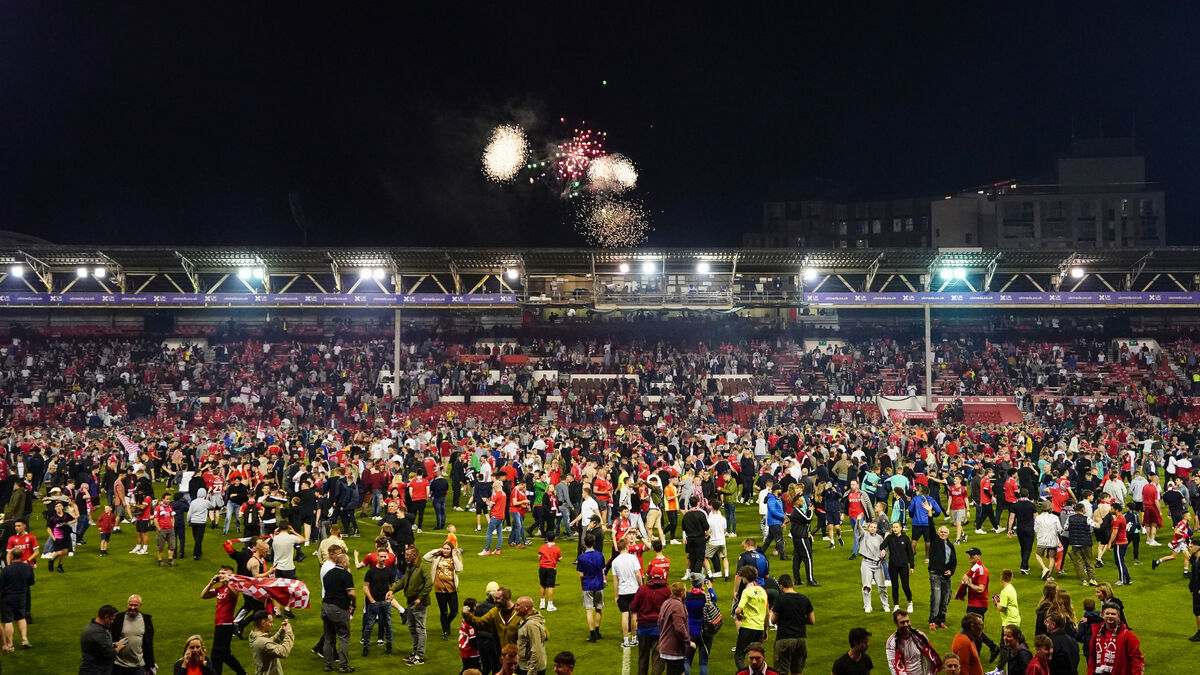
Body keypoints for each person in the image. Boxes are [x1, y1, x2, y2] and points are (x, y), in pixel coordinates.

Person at [200, 565, 247, 675]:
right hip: (219, 623)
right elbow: (203, 595)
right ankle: (242, 673)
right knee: (225, 654)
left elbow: (234, 594)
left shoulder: (233, 587)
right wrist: (211, 583)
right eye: (219, 573)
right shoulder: (219, 589)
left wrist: (228, 584)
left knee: (216, 654)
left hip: (225, 624)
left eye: (223, 573)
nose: (220, 575)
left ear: (230, 576)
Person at [393, 545, 433, 666]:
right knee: (412, 628)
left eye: (407, 555)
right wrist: (392, 590)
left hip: (419, 603)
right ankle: (415, 652)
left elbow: (429, 583)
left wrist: (420, 598)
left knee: (420, 629)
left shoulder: (423, 567)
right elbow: (403, 581)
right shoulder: (410, 567)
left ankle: (419, 656)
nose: (405, 557)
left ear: (414, 555)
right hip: (410, 601)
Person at [769, 575, 813, 675]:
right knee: (797, 672)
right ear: (792, 583)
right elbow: (812, 620)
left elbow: (773, 620)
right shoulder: (804, 599)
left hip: (785, 639)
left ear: (781, 586)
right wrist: (799, 620)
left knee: (781, 672)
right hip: (801, 639)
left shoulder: (780, 599)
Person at [1084, 602, 1144, 675]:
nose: (1110, 616)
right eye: (1107, 613)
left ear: (1118, 616)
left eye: (1113, 614)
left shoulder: (1127, 635)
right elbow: (1092, 656)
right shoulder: (1096, 632)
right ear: (1103, 615)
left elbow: (1136, 659)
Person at [320, 553, 356, 673]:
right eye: (348, 561)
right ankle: (344, 666)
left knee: (328, 638)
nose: (349, 563)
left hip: (325, 607)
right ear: (343, 563)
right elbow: (351, 593)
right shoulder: (346, 574)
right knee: (343, 636)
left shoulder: (328, 574)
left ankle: (328, 665)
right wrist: (354, 603)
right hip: (339, 609)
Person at [960, 547, 998, 659]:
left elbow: (981, 589)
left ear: (979, 556)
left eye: (973, 554)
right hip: (974, 602)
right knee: (973, 629)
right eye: (969, 554)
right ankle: (991, 648)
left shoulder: (981, 570)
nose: (970, 557)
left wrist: (968, 583)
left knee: (974, 630)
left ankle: (977, 655)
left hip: (978, 604)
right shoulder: (974, 569)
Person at [424, 540, 463, 640]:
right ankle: (445, 631)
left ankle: (446, 624)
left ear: (451, 550)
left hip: (452, 588)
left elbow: (459, 569)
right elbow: (425, 557)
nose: (445, 550)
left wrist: (454, 556)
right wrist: (437, 550)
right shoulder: (437, 557)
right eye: (444, 548)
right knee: (444, 612)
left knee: (454, 612)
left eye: (447, 549)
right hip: (439, 588)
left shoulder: (454, 558)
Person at [885, 608, 941, 675]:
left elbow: (930, 657)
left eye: (907, 621)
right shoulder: (891, 642)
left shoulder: (920, 636)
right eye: (902, 622)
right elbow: (894, 667)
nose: (906, 624)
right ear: (896, 623)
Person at [733, 565, 768, 672]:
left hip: (747, 627)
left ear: (745, 578)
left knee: (739, 656)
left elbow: (738, 610)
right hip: (759, 628)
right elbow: (767, 613)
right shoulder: (762, 591)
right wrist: (765, 629)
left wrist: (739, 616)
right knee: (757, 656)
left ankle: (746, 673)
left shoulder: (747, 591)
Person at [111, 594, 156, 675]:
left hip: (138, 665)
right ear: (127, 604)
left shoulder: (146, 620)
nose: (132, 607)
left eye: (135, 605)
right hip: (119, 664)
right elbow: (111, 638)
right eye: (130, 605)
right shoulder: (118, 618)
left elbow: (149, 643)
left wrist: (151, 663)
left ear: (140, 606)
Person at [612, 537, 645, 647]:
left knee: (624, 615)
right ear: (626, 547)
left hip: (623, 591)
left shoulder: (615, 562)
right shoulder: (633, 558)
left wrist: (615, 595)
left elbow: (615, 581)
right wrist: (641, 587)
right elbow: (638, 574)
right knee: (634, 614)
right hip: (634, 590)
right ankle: (634, 638)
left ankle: (626, 640)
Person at [361, 552, 394, 656]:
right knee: (369, 625)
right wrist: (371, 600)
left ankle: (389, 646)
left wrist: (390, 598)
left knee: (388, 624)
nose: (383, 558)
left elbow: (393, 586)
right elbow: (365, 587)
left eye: (385, 557)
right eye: (381, 556)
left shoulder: (389, 572)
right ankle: (366, 647)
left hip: (385, 602)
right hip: (373, 602)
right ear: (377, 557)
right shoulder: (371, 572)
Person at [576, 533, 607, 642]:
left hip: (587, 585)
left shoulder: (581, 557)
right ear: (594, 543)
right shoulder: (600, 555)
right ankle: (597, 631)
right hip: (598, 585)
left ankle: (592, 634)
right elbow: (603, 570)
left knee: (589, 611)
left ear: (585, 543)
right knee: (598, 608)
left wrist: (582, 585)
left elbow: (581, 575)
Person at [0, 554, 34, 652]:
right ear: (21, 556)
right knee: (21, 618)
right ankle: (24, 639)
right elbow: (31, 582)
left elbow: (1, 585)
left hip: (7, 598)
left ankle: (10, 645)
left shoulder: (6, 569)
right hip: (21, 596)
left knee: (8, 620)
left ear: (12, 557)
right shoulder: (27, 567)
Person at [657, 582, 691, 675]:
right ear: (682, 593)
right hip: (674, 649)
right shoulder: (678, 605)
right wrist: (688, 641)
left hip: (665, 645)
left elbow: (659, 622)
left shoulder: (666, 602)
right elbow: (679, 628)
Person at [247, 609, 293, 675]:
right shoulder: (262, 642)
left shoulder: (254, 636)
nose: (272, 625)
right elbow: (283, 652)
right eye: (270, 622)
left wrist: (282, 630)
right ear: (263, 623)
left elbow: (270, 642)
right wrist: (289, 633)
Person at [928, 525, 956, 631]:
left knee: (945, 599)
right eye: (941, 532)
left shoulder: (950, 546)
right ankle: (932, 621)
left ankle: (940, 621)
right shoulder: (935, 542)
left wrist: (951, 571)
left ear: (948, 534)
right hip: (935, 574)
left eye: (945, 532)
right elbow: (931, 529)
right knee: (936, 598)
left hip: (946, 576)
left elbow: (954, 562)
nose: (943, 534)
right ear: (938, 533)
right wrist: (930, 516)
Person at [882, 521, 915, 613]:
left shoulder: (906, 538)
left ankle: (910, 602)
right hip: (893, 566)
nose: (895, 529)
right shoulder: (890, 538)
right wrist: (884, 542)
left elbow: (910, 553)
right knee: (895, 586)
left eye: (896, 527)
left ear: (901, 528)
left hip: (903, 566)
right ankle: (896, 605)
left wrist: (912, 566)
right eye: (893, 527)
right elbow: (882, 546)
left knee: (905, 586)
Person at [80, 604, 122, 675]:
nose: (112, 622)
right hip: (95, 671)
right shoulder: (99, 632)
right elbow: (110, 654)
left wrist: (114, 644)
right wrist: (120, 646)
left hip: (90, 669)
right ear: (106, 617)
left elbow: (98, 647)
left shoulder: (92, 627)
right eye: (112, 619)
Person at [991, 569, 1020, 670]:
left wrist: (996, 602)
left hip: (1009, 621)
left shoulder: (1004, 591)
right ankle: (1014, 666)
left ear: (1002, 578)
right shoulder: (1012, 588)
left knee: (1004, 645)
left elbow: (1001, 608)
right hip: (1015, 619)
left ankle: (999, 669)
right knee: (1012, 645)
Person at [859, 521, 889, 613]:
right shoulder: (864, 535)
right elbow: (858, 530)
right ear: (868, 528)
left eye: (874, 527)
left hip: (877, 565)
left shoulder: (879, 538)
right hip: (866, 563)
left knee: (882, 586)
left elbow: (884, 548)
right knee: (866, 587)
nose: (872, 528)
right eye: (871, 527)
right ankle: (867, 606)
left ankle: (885, 605)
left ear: (876, 529)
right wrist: (858, 521)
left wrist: (884, 553)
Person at [1066, 503, 1098, 586]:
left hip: (1074, 543)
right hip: (1086, 542)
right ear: (1083, 510)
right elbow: (1096, 526)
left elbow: (1065, 528)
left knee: (1078, 562)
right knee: (1089, 561)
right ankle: (1092, 579)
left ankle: (1083, 580)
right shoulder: (1086, 518)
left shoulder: (1070, 518)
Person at [515, 596, 547, 675]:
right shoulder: (527, 618)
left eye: (518, 605)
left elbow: (536, 650)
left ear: (526, 607)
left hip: (529, 669)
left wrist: (531, 672)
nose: (515, 607)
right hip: (525, 666)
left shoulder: (531, 625)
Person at [1034, 502, 1064, 581]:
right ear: (1050, 508)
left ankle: (1044, 568)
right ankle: (1048, 576)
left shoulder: (1038, 517)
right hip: (1052, 540)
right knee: (1052, 558)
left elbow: (1035, 529)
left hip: (1041, 540)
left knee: (1038, 554)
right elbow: (1059, 529)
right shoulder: (1055, 517)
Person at [681, 497, 710, 579]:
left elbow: (683, 528)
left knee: (692, 557)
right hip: (700, 538)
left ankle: (693, 575)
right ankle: (695, 574)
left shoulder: (686, 515)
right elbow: (706, 527)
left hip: (690, 539)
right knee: (700, 558)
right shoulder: (701, 514)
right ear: (698, 503)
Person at [46, 499, 76, 573]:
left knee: (64, 552)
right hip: (58, 537)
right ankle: (51, 560)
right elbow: (48, 529)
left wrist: (70, 522)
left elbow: (74, 519)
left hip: (66, 536)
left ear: (62, 507)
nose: (58, 507)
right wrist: (53, 537)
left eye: (60, 506)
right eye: (57, 506)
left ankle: (60, 566)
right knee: (59, 552)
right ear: (55, 508)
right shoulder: (53, 518)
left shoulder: (66, 515)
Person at [537, 532, 562, 612]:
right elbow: (560, 558)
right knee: (550, 587)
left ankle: (542, 603)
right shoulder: (556, 548)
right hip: (551, 568)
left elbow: (539, 557)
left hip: (542, 568)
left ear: (546, 538)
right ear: (555, 538)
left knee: (542, 585)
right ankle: (550, 605)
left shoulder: (542, 547)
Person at [1189, 535, 1200, 641]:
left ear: (1197, 547)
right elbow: (1193, 575)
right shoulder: (1194, 559)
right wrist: (1191, 588)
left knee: (1198, 610)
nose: (1190, 548)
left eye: (1192, 546)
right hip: (1196, 588)